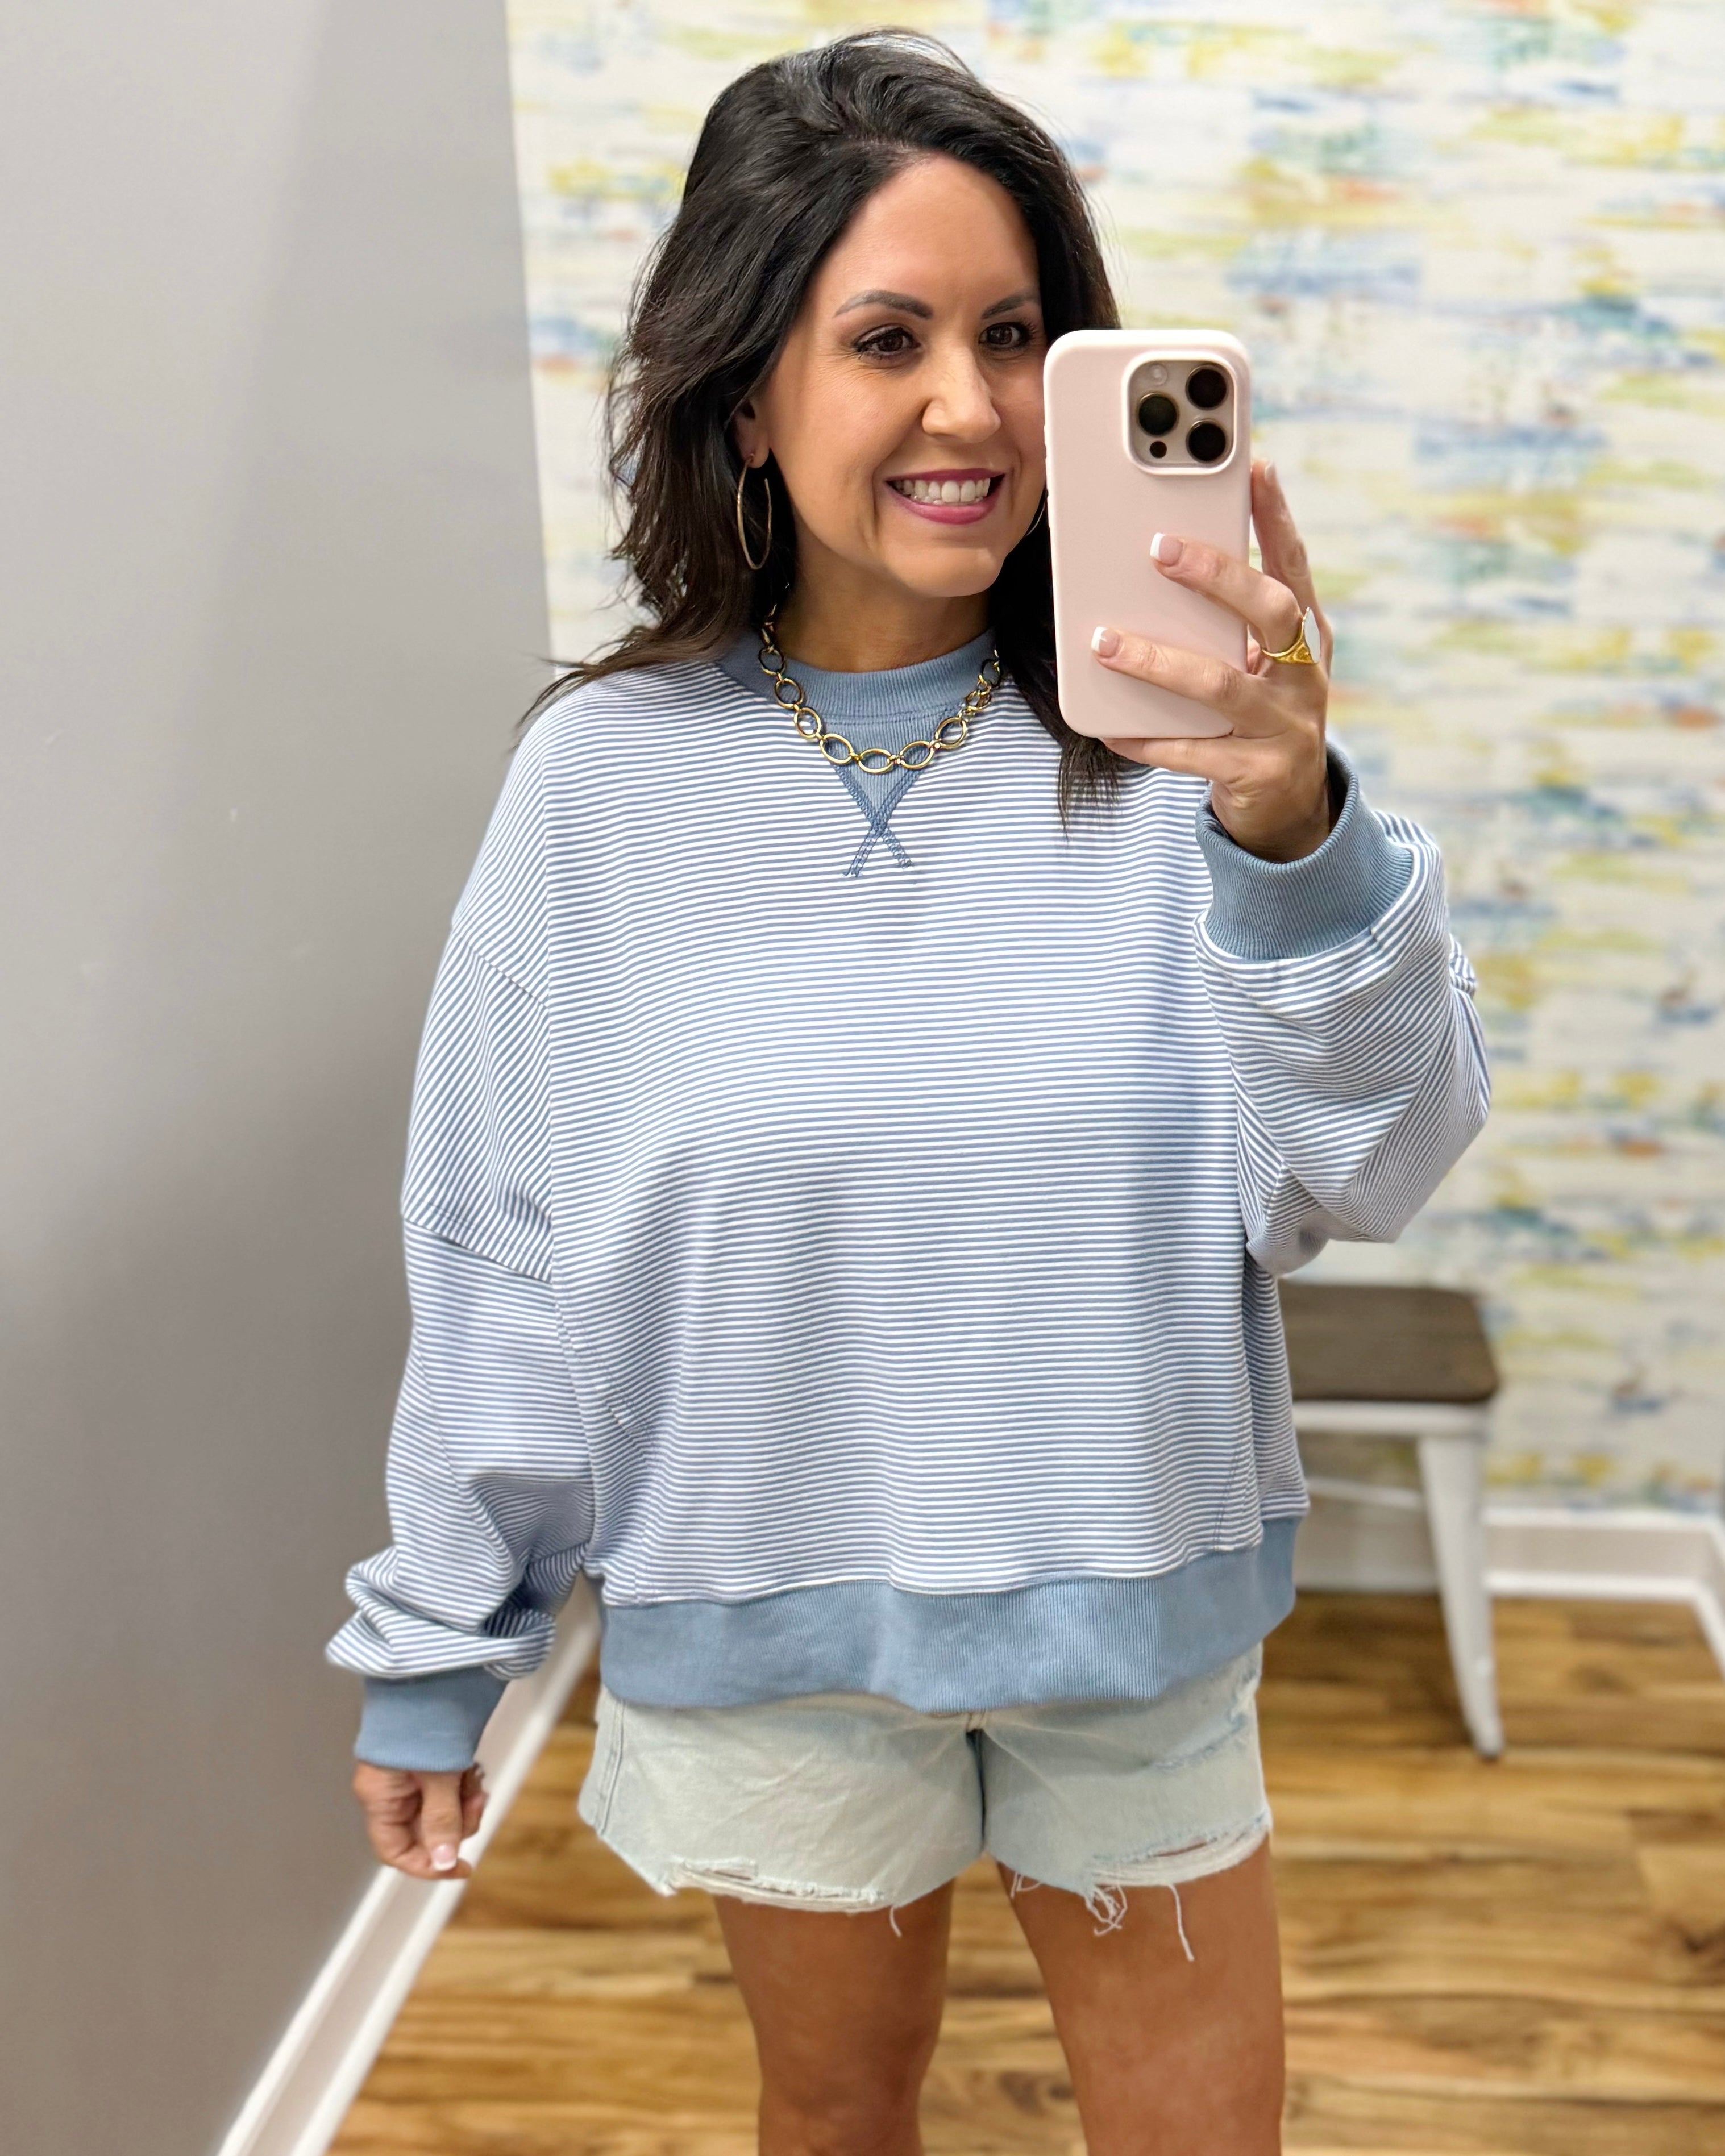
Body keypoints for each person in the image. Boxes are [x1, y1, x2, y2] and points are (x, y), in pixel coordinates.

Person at [328, 32, 1487, 2156]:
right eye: (886, 340)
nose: (967, 404)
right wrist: (438, 1642)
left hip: (1122, 1611)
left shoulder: (1192, 757)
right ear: (745, 395)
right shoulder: (600, 785)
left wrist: (1297, 819)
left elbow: (1376, 1165)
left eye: (1015, 335)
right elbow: (503, 1234)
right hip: (770, 1618)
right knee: (836, 2118)